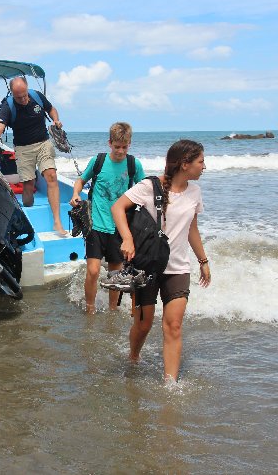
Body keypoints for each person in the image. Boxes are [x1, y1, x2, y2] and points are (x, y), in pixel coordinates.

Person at [111, 139, 211, 383]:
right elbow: (117, 207)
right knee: (144, 325)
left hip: (178, 268)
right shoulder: (150, 186)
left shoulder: (195, 192)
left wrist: (203, 260)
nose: (204, 166)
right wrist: (127, 239)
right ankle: (134, 357)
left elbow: (192, 229)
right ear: (185, 164)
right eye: (200, 161)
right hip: (148, 266)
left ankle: (170, 383)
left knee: (173, 325)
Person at [70, 122, 145, 314]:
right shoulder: (98, 161)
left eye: (124, 147)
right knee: (93, 270)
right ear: (109, 143)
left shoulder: (133, 165)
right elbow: (81, 180)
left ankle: (112, 310)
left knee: (115, 274)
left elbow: (144, 190)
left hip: (119, 228)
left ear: (129, 144)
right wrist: (75, 194)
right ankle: (90, 309)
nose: (120, 151)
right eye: (117, 146)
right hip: (95, 224)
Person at [0, 76, 68, 236]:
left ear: (27, 88)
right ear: (12, 93)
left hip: (43, 143)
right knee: (29, 186)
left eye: (24, 95)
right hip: (23, 149)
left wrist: (56, 120)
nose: (22, 99)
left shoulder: (36, 96)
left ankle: (57, 221)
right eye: (18, 97)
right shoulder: (7, 106)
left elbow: (51, 109)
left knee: (51, 176)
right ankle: (29, 214)